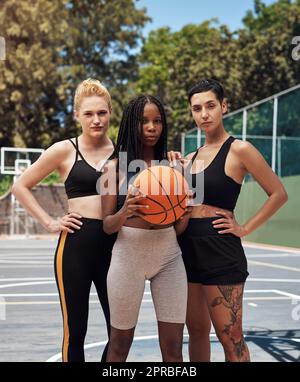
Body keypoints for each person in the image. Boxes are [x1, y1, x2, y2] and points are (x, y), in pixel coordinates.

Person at [175, 79, 288, 362]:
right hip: (187, 250)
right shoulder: (189, 158)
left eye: (211, 106)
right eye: (197, 108)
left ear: (224, 107)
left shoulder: (240, 150)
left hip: (220, 251)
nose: (204, 114)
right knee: (197, 331)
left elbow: (278, 193)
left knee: (231, 338)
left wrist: (244, 228)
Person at [12, 78, 116, 362]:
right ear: (76, 115)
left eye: (102, 113)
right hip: (75, 246)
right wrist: (50, 222)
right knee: (75, 330)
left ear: (110, 112)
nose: (96, 120)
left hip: (115, 248)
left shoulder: (124, 152)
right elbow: (20, 186)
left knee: (119, 332)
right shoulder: (64, 150)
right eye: (88, 114)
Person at [101, 95, 191, 362]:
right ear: (131, 124)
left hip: (168, 257)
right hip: (128, 256)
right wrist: (125, 211)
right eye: (144, 121)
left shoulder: (174, 168)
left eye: (157, 121)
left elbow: (179, 228)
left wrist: (184, 207)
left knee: (174, 346)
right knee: (120, 343)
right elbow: (106, 226)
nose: (152, 127)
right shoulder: (112, 169)